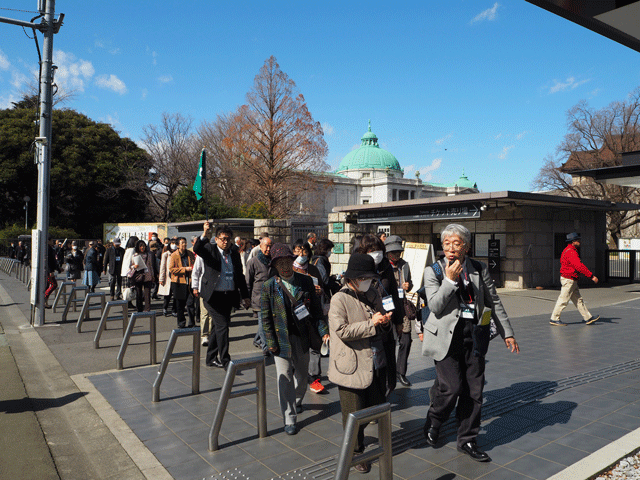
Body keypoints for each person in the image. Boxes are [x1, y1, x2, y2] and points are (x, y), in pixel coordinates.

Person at [422, 224, 519, 463]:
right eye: (446, 244)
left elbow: (493, 301)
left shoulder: (478, 268)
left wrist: (508, 332)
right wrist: (449, 280)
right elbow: (434, 305)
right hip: (444, 337)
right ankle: (435, 418)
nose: (451, 249)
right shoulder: (433, 270)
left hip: (474, 334)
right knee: (452, 387)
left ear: (466, 246)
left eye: (456, 243)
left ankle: (467, 439)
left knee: (474, 391)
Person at [328, 253, 392, 474]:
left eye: (370, 278)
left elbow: (379, 322)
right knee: (353, 412)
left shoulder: (372, 293)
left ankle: (365, 443)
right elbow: (341, 331)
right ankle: (356, 453)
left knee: (375, 407)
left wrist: (384, 322)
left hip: (375, 361)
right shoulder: (339, 299)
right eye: (364, 278)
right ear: (353, 278)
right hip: (351, 365)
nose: (368, 282)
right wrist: (371, 323)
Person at [261, 243, 329, 435]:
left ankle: (297, 400)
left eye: (287, 261)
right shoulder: (269, 286)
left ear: (293, 261)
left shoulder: (306, 281)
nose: (284, 266)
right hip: (281, 338)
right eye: (279, 263)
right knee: (284, 379)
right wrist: (270, 342)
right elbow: (265, 318)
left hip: (302, 336)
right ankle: (289, 417)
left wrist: (323, 331)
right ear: (274, 265)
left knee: (301, 376)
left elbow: (316, 311)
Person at [193, 222, 250, 369]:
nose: (225, 242)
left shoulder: (234, 254)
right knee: (223, 326)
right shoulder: (210, 249)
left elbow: (240, 276)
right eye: (223, 238)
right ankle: (225, 360)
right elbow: (197, 248)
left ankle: (211, 358)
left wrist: (245, 296)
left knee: (218, 328)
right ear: (217, 239)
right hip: (212, 296)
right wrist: (205, 233)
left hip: (228, 295)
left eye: (228, 239)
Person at [356, 233, 403, 396]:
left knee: (388, 359)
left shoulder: (385, 266)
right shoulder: (358, 266)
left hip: (386, 321)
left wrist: (398, 321)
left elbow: (395, 295)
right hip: (366, 322)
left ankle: (385, 390)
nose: (376, 253)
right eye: (372, 250)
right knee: (371, 362)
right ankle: (372, 396)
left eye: (378, 250)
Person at [550, 232, 600, 326]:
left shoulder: (567, 250)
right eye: (578, 240)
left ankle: (588, 318)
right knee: (563, 299)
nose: (579, 241)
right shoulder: (571, 252)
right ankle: (554, 318)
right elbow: (579, 266)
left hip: (570, 279)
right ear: (573, 242)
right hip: (569, 279)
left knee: (578, 300)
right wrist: (591, 276)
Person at [384, 235, 414, 387]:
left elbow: (411, 282)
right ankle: (388, 373)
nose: (396, 255)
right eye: (393, 252)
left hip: (402, 306)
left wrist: (409, 286)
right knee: (388, 341)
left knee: (406, 340)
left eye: (398, 252)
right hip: (387, 307)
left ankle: (400, 372)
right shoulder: (382, 266)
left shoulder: (405, 265)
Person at [246, 236, 274, 353]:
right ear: (260, 246)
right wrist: (246, 298)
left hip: (272, 297)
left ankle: (258, 339)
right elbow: (248, 281)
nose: (268, 249)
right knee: (263, 323)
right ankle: (265, 346)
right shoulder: (253, 262)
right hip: (259, 297)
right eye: (266, 246)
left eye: (270, 246)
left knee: (269, 322)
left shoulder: (274, 261)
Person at [169, 237, 196, 328]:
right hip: (178, 282)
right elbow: (171, 269)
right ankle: (181, 322)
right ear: (177, 245)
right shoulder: (174, 255)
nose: (184, 244)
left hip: (189, 282)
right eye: (182, 243)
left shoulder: (190, 253)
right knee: (180, 304)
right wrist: (185, 269)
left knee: (190, 303)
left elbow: (194, 265)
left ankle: (192, 322)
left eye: (185, 242)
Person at [130, 240, 156, 312]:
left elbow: (151, 266)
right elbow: (131, 265)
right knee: (138, 292)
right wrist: (134, 266)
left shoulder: (149, 254)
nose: (142, 247)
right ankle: (139, 308)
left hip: (148, 275)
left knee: (147, 293)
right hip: (138, 275)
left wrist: (153, 275)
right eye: (140, 246)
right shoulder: (135, 255)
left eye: (143, 246)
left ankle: (147, 308)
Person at [158, 240, 177, 317]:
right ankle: (165, 308)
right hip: (167, 277)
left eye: (175, 244)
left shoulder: (177, 254)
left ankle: (174, 310)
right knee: (167, 295)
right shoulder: (166, 254)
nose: (174, 245)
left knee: (176, 295)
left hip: (176, 277)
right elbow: (162, 267)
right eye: (172, 244)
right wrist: (161, 279)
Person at [44, 236, 61, 308]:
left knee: (47, 285)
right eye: (52, 240)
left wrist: (58, 268)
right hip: (48, 271)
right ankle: (44, 298)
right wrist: (51, 270)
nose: (53, 242)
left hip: (48, 270)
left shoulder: (49, 248)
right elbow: (49, 261)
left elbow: (53, 260)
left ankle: (45, 301)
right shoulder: (48, 249)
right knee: (53, 284)